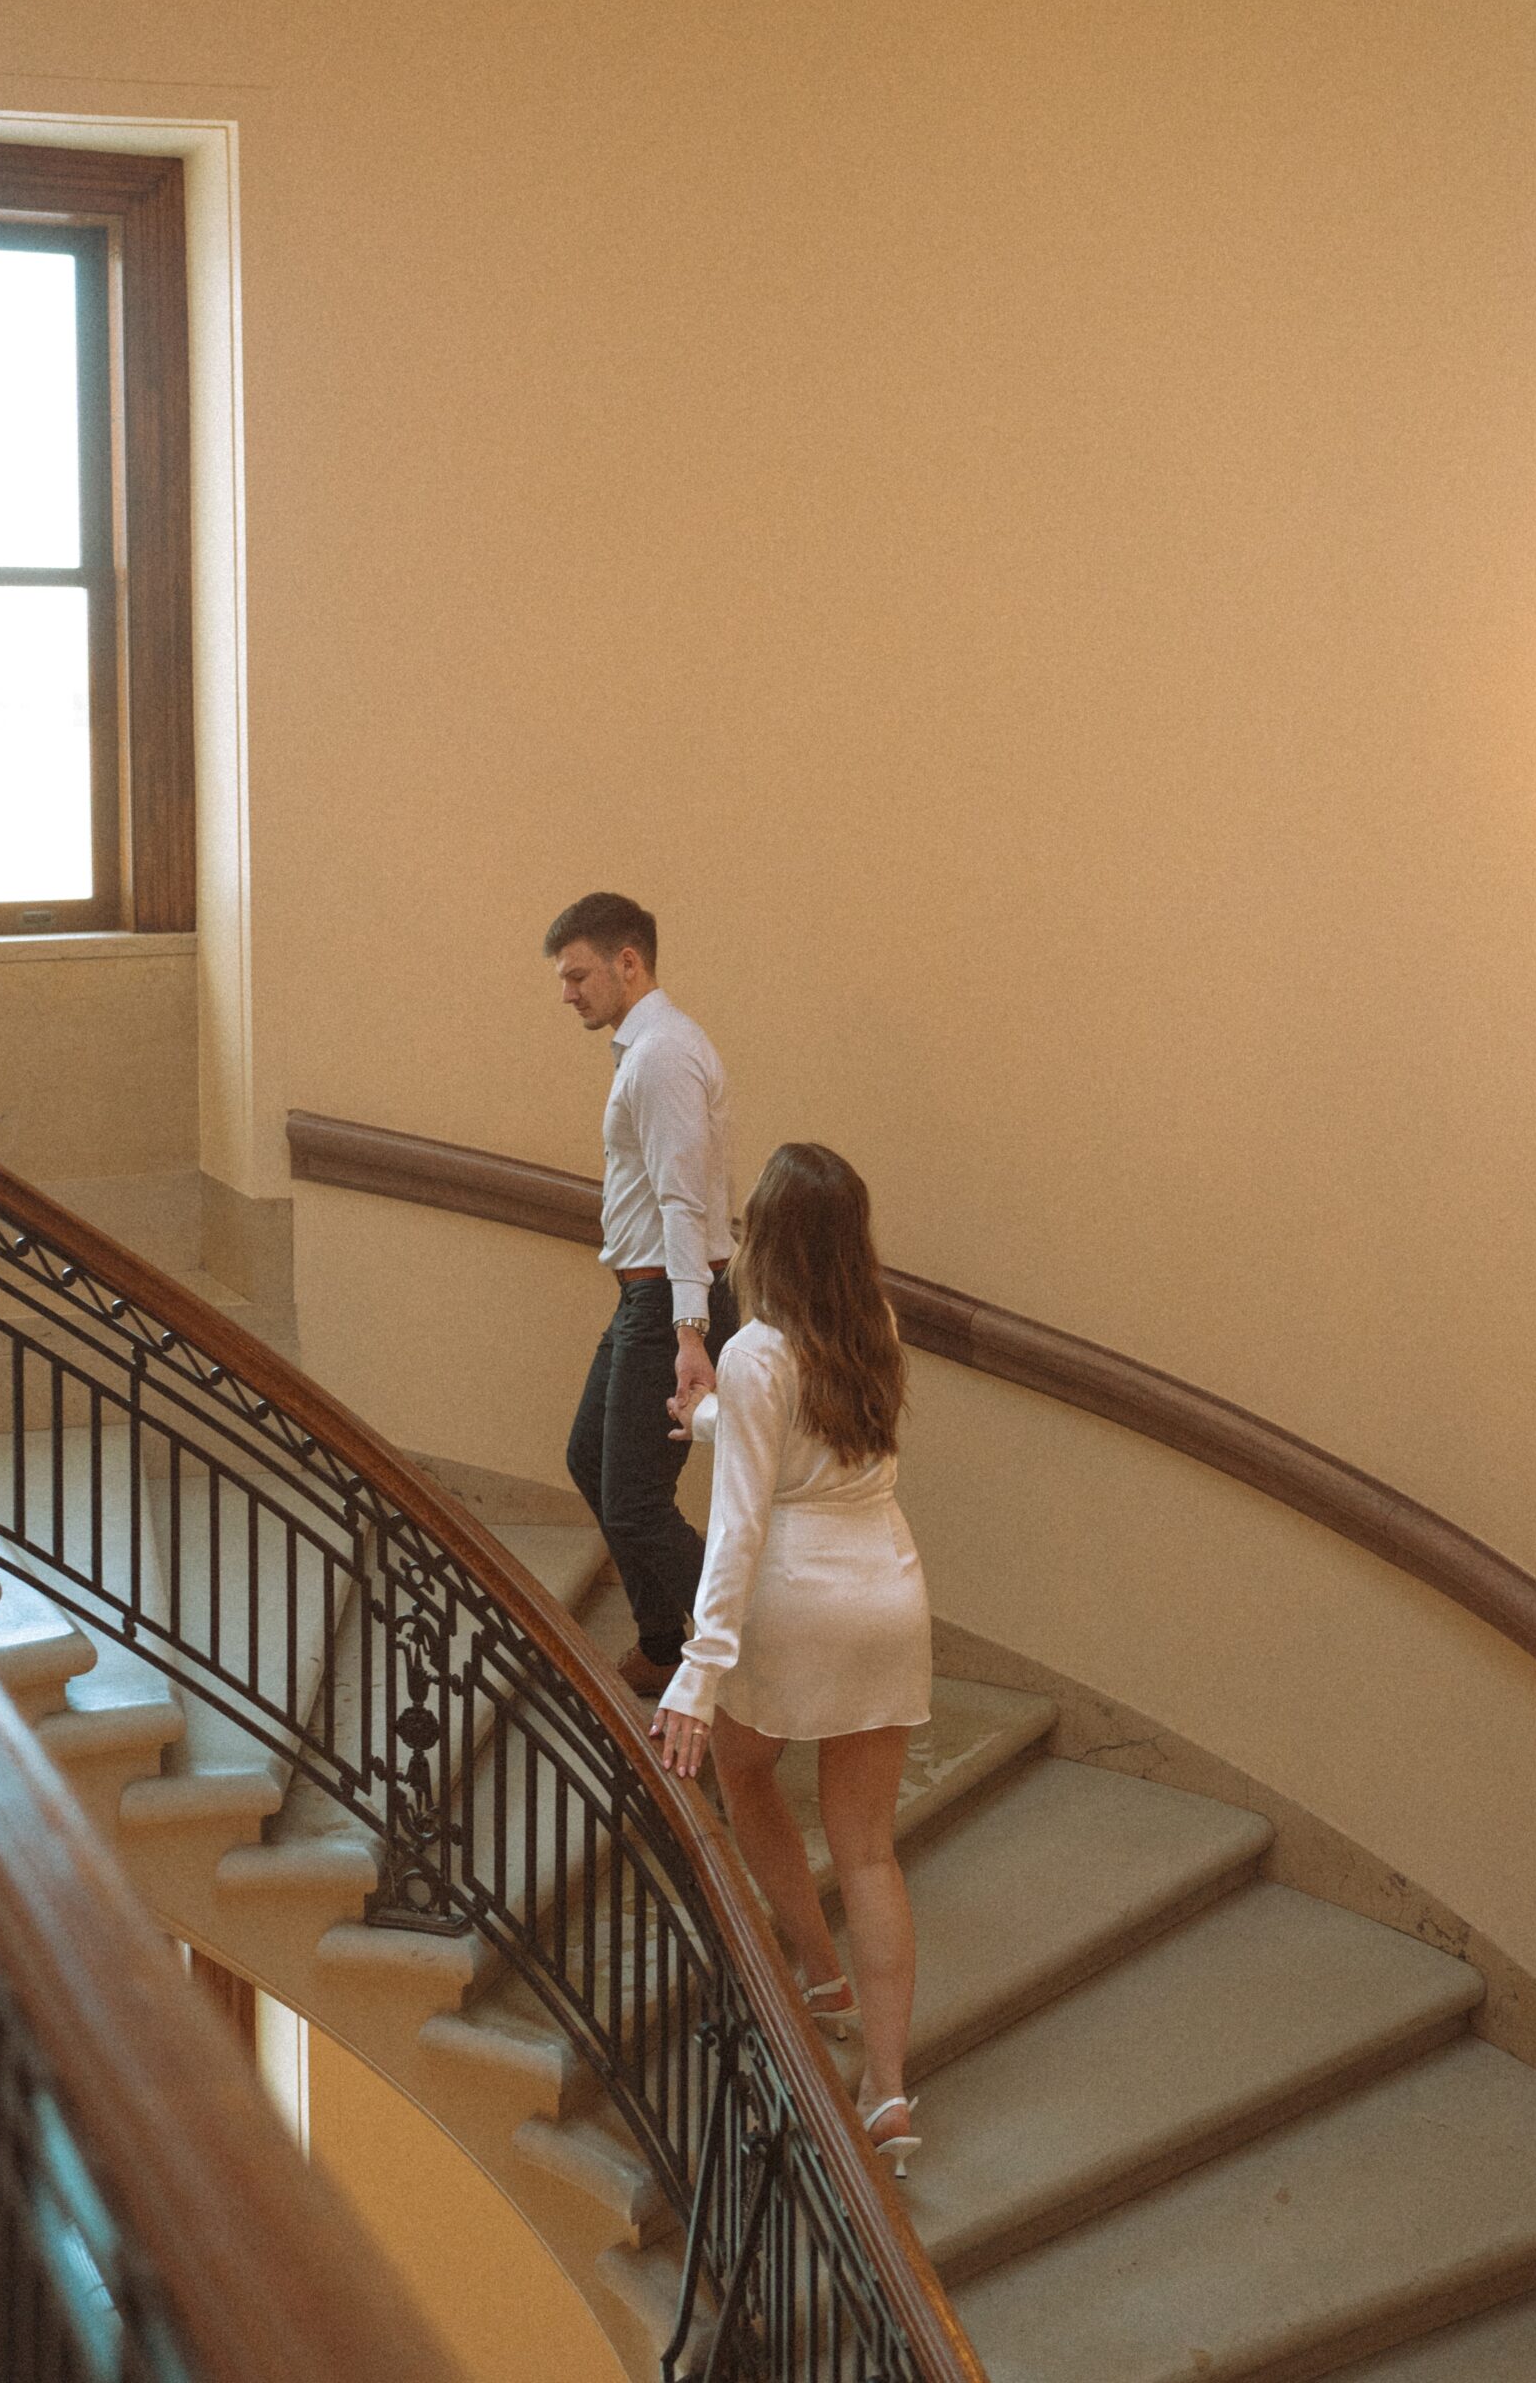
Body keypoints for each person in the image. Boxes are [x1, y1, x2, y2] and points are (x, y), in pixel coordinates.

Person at [650, 1142, 931, 2177]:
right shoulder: (874, 1329)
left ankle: (817, 1971)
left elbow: (736, 1532)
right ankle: (890, 2093)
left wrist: (696, 1669)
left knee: (743, 1766)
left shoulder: (755, 1351)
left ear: (762, 1238)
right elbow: (800, 1429)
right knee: (868, 1850)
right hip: (889, 1593)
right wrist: (713, 1421)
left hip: (797, 1603)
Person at [546, 891, 737, 1699]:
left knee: (633, 1501)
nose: (569, 993)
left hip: (668, 1306)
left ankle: (754, 1640)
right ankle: (664, 1645)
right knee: (592, 1460)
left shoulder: (661, 1054)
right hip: (647, 1301)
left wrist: (691, 1330)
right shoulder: (648, 1047)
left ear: (630, 962)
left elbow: (684, 1201)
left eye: (580, 974)